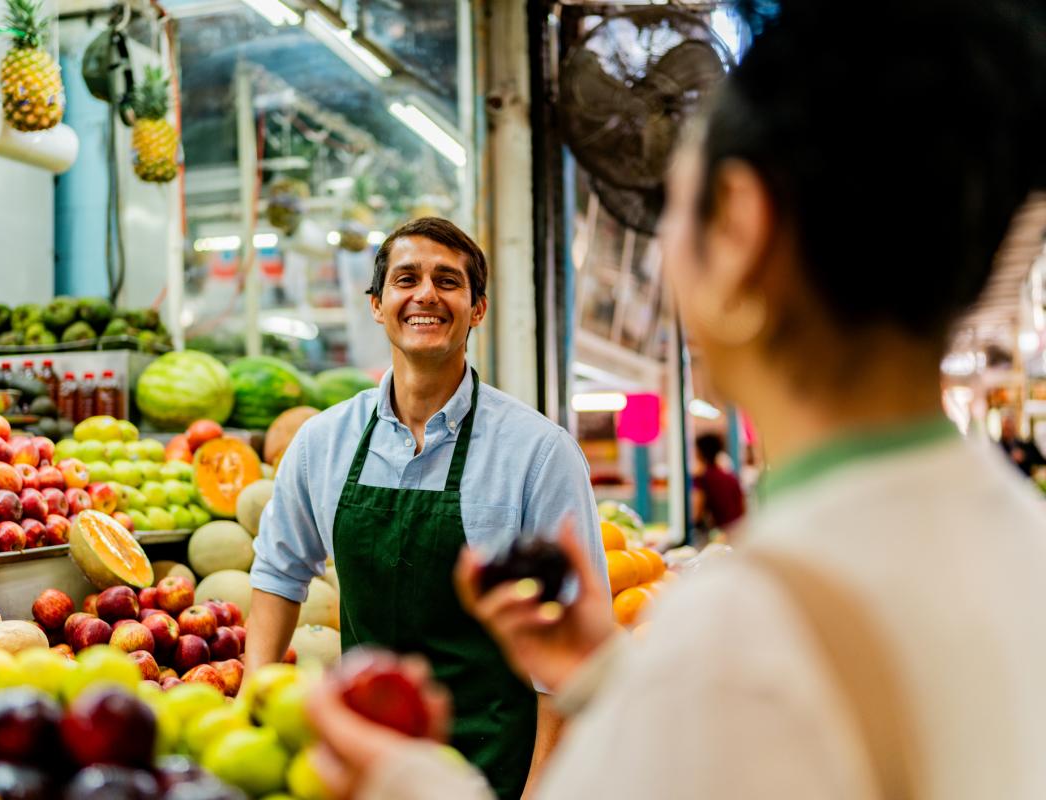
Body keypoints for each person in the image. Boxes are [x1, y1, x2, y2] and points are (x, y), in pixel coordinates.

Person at [302, 1, 1046, 798]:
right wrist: (607, 682)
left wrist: (411, 783)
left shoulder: (742, 634)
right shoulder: (1019, 536)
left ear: (742, 231)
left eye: (676, 214)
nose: (663, 269)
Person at [247, 216, 609, 799]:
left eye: (448, 281)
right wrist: (254, 707)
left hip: (496, 767)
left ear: (478, 308)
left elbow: (569, 644)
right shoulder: (322, 442)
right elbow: (277, 572)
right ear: (377, 304)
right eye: (406, 278)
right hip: (363, 769)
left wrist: (541, 788)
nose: (425, 295)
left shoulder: (539, 453)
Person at [691, 432, 745, 532]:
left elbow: (696, 514)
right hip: (739, 530)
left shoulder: (702, 478)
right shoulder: (730, 476)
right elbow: (742, 506)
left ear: (699, 452)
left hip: (722, 533)